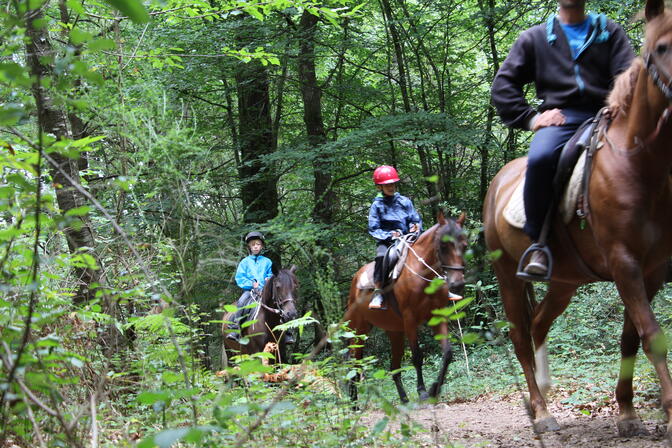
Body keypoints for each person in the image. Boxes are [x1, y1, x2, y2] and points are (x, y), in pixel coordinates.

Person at [491, 0, 634, 278]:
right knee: (542, 158)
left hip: (609, 115)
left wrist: (621, 103)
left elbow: (628, 76)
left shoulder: (610, 31)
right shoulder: (534, 38)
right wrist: (532, 119)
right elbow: (503, 86)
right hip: (563, 120)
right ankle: (538, 244)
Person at [368, 165, 422, 310]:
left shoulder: (405, 201)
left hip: (408, 238)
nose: (391, 187)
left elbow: (415, 219)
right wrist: (390, 236)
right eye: (387, 184)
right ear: (380, 187)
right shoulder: (376, 205)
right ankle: (378, 292)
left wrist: (415, 227)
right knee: (381, 256)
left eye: (392, 183)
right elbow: (373, 228)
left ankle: (443, 284)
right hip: (387, 241)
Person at [226, 231, 273, 341]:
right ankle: (234, 329)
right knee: (242, 302)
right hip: (251, 292)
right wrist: (251, 284)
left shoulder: (267, 262)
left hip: (265, 291)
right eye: (253, 244)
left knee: (280, 303)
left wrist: (268, 279)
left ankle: (287, 333)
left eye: (258, 244)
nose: (255, 247)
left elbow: (271, 274)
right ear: (249, 247)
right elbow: (240, 278)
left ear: (261, 246)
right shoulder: (245, 262)